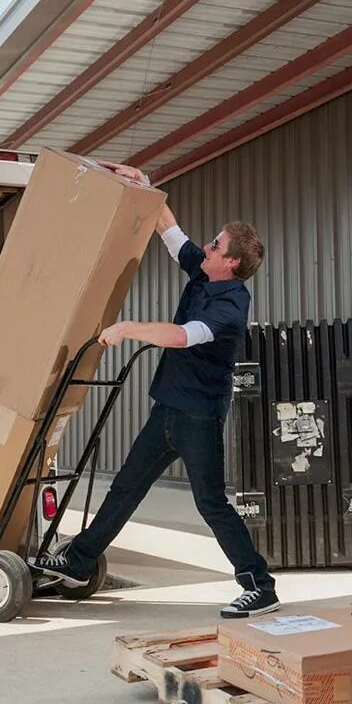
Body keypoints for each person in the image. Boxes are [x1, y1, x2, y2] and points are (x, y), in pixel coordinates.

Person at [34, 163, 279, 619]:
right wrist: (145, 187)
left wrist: (128, 328)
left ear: (233, 263)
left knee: (210, 503)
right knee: (125, 487)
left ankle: (259, 585)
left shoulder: (230, 305)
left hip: (198, 418)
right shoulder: (208, 274)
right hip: (167, 408)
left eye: (216, 245)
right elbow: (169, 230)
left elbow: (182, 336)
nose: (206, 246)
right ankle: (78, 560)